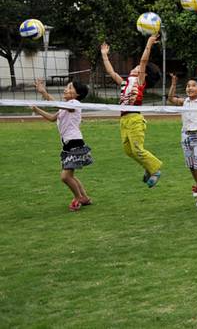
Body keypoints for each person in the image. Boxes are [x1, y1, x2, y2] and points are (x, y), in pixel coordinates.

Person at [101, 35, 163, 187]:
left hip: (135, 119)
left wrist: (149, 43)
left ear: (144, 74)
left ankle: (155, 171)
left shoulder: (139, 81)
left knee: (137, 149)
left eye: (138, 68)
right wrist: (104, 55)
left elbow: (143, 61)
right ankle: (148, 168)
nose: (135, 67)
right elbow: (111, 72)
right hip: (123, 120)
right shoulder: (124, 83)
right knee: (129, 151)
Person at [31, 79, 94, 211]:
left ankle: (78, 198)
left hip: (75, 144)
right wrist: (37, 110)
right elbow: (52, 118)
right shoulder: (64, 107)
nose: (66, 89)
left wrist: (44, 92)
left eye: (70, 88)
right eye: (66, 87)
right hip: (68, 146)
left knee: (65, 177)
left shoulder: (74, 103)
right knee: (70, 176)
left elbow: (57, 105)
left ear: (77, 95)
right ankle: (85, 198)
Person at [167, 64, 197, 207]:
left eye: (193, 86)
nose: (190, 88)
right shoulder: (184, 101)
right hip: (185, 137)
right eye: (188, 86)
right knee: (191, 165)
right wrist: (173, 84)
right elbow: (170, 98)